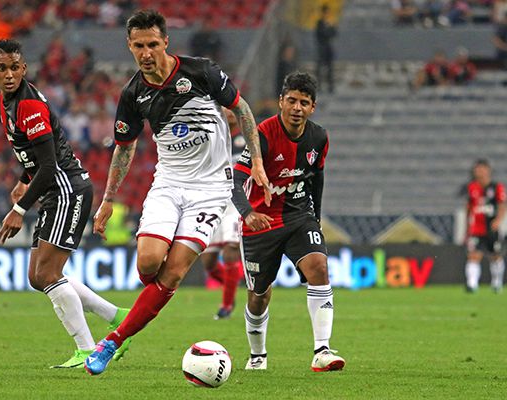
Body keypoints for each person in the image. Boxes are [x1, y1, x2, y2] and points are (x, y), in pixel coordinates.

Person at [84, 9, 269, 376]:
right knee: (149, 265)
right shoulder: (134, 93)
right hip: (168, 184)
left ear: (166, 42)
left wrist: (258, 162)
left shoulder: (200, 72)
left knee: (173, 273)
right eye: (139, 46)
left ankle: (113, 341)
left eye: (153, 44)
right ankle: (144, 308)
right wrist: (106, 201)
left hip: (211, 190)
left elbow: (242, 109)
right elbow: (124, 147)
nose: (146, 52)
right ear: (129, 46)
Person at [0, 39, 130, 369]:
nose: (9, 74)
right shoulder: (6, 100)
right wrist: (24, 179)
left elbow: (50, 165)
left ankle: (87, 350)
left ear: (24, 69)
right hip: (54, 190)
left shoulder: (28, 105)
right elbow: (35, 157)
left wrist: (19, 209)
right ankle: (117, 317)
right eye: (2, 68)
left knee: (48, 273)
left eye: (14, 68)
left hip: (67, 190)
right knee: (38, 278)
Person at [231, 71, 345, 372]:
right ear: (281, 101)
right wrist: (247, 213)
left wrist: (316, 219)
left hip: (298, 217)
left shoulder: (319, 137)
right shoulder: (262, 136)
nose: (297, 108)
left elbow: (317, 177)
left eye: (304, 102)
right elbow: (236, 180)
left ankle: (322, 350)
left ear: (313, 107)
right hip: (260, 224)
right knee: (259, 295)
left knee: (319, 266)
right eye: (291, 100)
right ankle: (257, 355)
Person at [199, 109, 244, 320]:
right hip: (215, 202)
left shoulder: (246, 140)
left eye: (233, 110)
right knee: (208, 261)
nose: (230, 114)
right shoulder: (213, 140)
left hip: (236, 203)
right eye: (225, 110)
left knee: (231, 250)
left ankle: (226, 305)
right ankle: (231, 286)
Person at [464, 159, 505, 293]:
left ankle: (497, 282)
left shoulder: (496, 187)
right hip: (476, 228)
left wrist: (498, 220)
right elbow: (469, 207)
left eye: (482, 169)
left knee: (495, 256)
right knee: (473, 255)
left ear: (488, 171)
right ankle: (472, 284)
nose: (479, 172)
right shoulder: (471, 188)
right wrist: (467, 227)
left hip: (492, 227)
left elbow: (502, 205)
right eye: (477, 169)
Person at [315, 5, 337, 94]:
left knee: (330, 67)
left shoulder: (330, 23)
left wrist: (330, 27)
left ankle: (330, 86)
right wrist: (329, 30)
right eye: (326, 12)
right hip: (321, 47)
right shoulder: (319, 23)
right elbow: (321, 34)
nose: (327, 14)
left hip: (329, 47)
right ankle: (319, 85)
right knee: (320, 67)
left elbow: (334, 33)